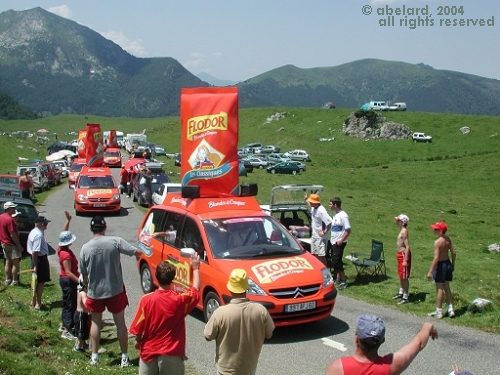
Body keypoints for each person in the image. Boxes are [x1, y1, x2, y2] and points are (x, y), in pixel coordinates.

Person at [79, 215, 142, 367]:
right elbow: (136, 252)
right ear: (105, 227)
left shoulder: (85, 248)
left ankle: (94, 356)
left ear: (91, 229)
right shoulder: (115, 241)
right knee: (120, 322)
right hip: (115, 290)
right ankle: (125, 357)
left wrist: (86, 288)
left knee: (95, 322)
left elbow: (84, 274)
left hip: (95, 291)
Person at [129, 253, 201, 375]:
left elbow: (137, 329)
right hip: (171, 353)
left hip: (149, 352)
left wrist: (139, 340)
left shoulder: (146, 300)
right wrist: (195, 268)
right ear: (173, 278)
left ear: (156, 276)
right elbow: (195, 289)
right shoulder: (179, 300)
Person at [204, 268, 275, 375]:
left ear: (230, 289)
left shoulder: (220, 313)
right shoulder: (261, 311)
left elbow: (208, 335)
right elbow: (269, 334)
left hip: (225, 369)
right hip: (249, 368)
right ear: (246, 288)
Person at [324, 314, 438, 375]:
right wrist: (428, 326)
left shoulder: (338, 368)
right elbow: (418, 343)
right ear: (382, 341)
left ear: (356, 339)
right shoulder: (392, 365)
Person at [427, 222, 456, 319]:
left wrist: (430, 270)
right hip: (447, 263)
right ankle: (450, 308)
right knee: (447, 286)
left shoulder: (437, 242)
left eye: (435, 229)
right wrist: (453, 264)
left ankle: (439, 310)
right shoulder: (448, 239)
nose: (434, 231)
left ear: (440, 231)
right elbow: (454, 252)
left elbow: (436, 258)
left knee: (439, 288)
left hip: (440, 265)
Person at [57, 211, 79, 340]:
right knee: (70, 304)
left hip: (65, 280)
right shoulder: (65, 255)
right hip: (68, 281)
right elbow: (69, 272)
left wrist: (68, 221)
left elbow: (63, 234)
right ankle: (67, 329)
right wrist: (80, 281)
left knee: (66, 302)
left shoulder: (61, 249)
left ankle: (64, 324)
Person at [27, 215, 52, 309]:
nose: (46, 225)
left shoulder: (33, 232)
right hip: (39, 260)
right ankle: (38, 303)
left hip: (36, 259)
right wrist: (36, 265)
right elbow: (35, 251)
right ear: (41, 224)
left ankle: (33, 301)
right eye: (45, 224)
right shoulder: (38, 235)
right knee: (40, 282)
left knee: (35, 281)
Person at [329, 197, 351, 288]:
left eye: (330, 204)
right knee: (334, 261)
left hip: (339, 243)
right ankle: (338, 278)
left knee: (337, 262)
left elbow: (348, 229)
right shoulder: (336, 215)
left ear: (335, 205)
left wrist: (341, 240)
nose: (329, 205)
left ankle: (343, 281)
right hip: (333, 241)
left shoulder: (343, 216)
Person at [305, 193, 332, 266]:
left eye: (311, 201)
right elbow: (310, 205)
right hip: (314, 234)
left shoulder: (321, 211)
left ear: (314, 202)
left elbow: (329, 222)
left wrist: (325, 231)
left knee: (321, 254)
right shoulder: (314, 207)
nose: (310, 203)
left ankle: (324, 270)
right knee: (314, 253)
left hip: (320, 237)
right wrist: (306, 199)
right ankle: (318, 267)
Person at [0, 202, 24, 285]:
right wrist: (19, 246)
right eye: (13, 208)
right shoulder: (10, 219)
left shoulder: (1, 217)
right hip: (12, 244)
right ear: (8, 209)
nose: (14, 209)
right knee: (15, 263)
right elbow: (12, 234)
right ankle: (14, 281)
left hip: (4, 243)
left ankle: (7, 279)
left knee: (7, 261)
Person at [393, 214, 411, 305]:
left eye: (399, 220)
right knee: (400, 274)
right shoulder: (401, 231)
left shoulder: (404, 232)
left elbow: (407, 246)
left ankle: (405, 295)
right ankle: (401, 291)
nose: (397, 222)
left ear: (403, 223)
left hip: (403, 254)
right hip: (400, 254)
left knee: (404, 276)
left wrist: (405, 260)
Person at [73, 278, 90, 352]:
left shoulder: (80, 292)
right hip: (81, 315)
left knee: (80, 331)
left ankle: (78, 345)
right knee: (81, 332)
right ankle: (78, 347)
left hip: (81, 315)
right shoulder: (83, 293)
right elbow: (86, 303)